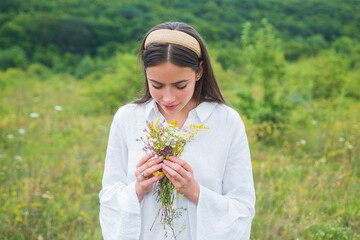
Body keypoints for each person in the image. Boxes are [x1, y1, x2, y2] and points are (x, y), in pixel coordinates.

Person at [99, 22, 255, 240]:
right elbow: (108, 200)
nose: (168, 98)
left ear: (199, 71)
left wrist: (194, 191)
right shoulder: (127, 119)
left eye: (180, 86)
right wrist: (138, 189)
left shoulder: (226, 122)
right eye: (157, 85)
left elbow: (242, 207)